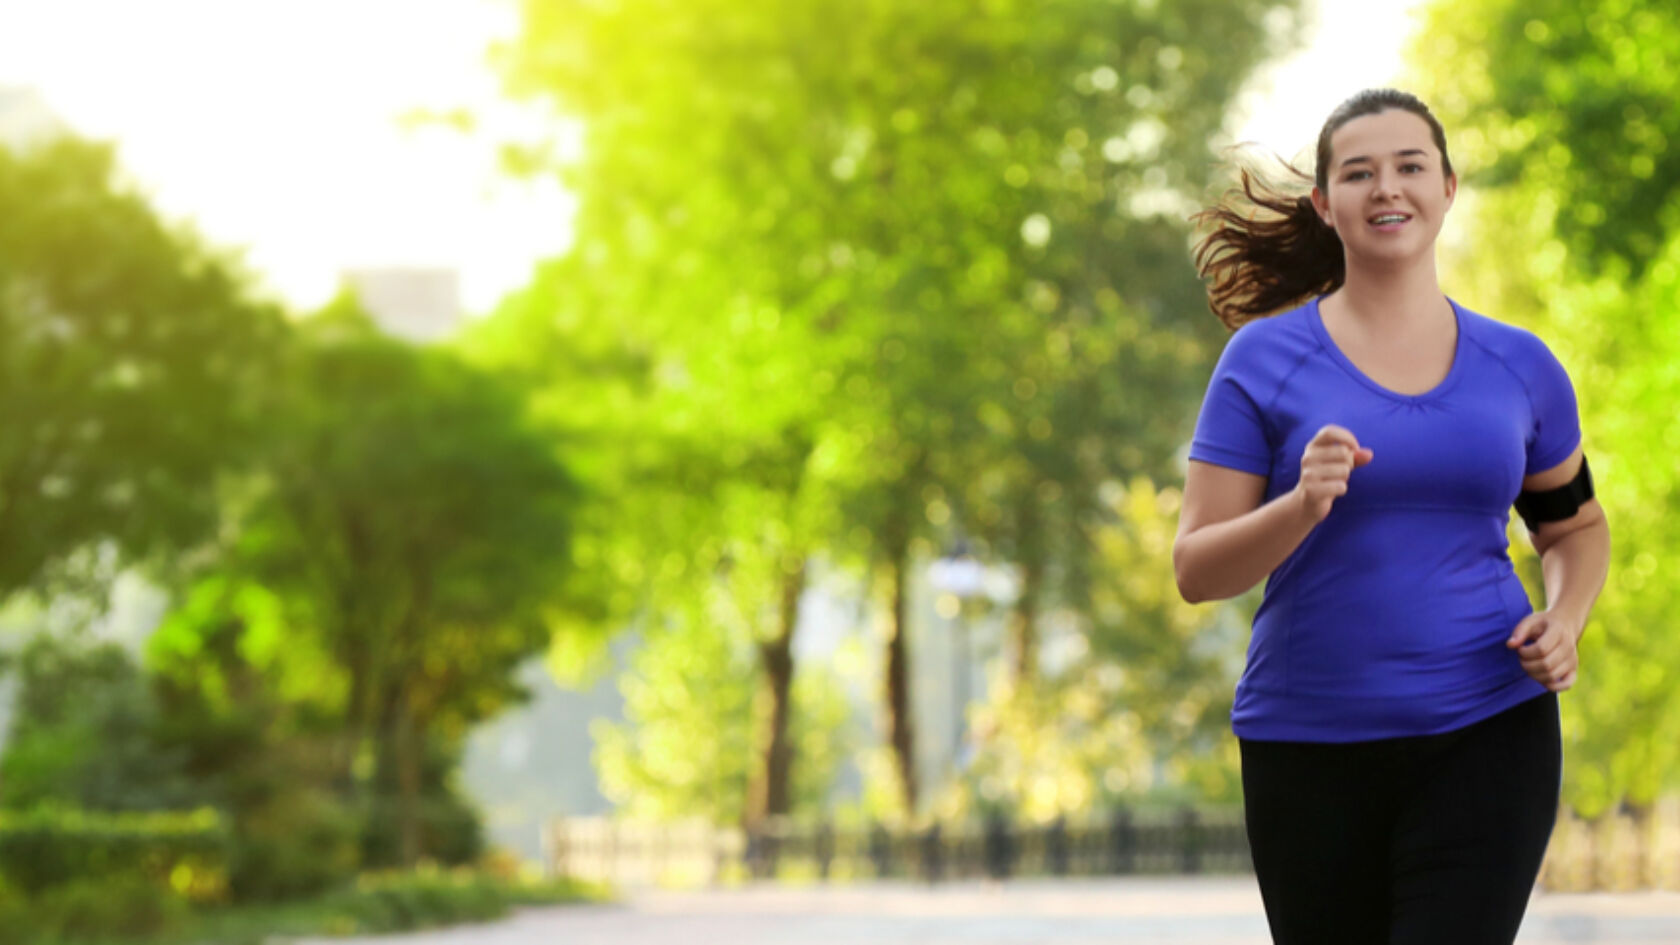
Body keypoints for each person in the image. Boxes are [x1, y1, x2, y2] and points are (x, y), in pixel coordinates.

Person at [1173, 88, 1612, 944]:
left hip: (1488, 726)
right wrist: (1299, 505)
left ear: (1448, 188)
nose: (1388, 189)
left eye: (1411, 166)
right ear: (1324, 204)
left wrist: (1566, 617)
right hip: (1308, 743)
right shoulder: (1261, 361)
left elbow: (1574, 527)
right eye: (1359, 173)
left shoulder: (1520, 367)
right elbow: (1198, 570)